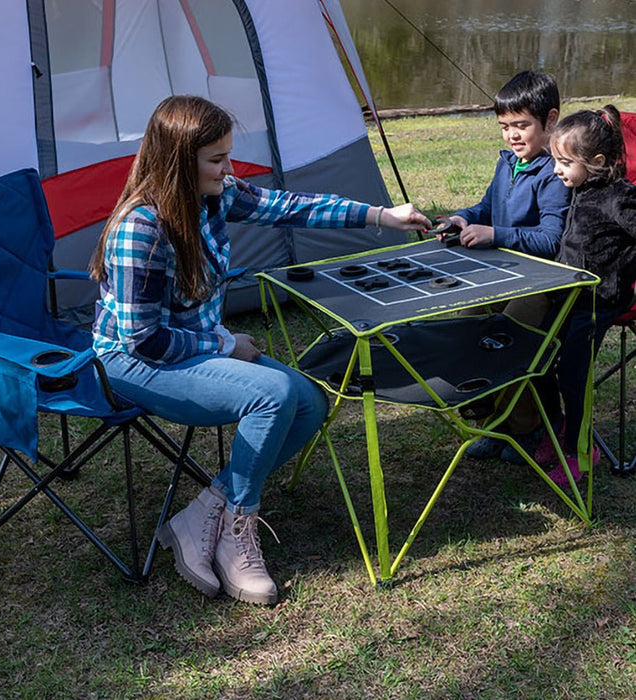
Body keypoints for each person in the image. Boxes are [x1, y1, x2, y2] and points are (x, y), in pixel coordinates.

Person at [88, 94, 431, 605]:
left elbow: (291, 207)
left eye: (228, 156)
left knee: (310, 403)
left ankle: (207, 511)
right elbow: (145, 340)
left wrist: (382, 215)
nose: (228, 171)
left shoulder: (214, 196)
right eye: (217, 159)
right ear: (179, 161)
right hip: (133, 364)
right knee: (271, 395)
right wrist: (224, 342)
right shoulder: (140, 229)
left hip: (193, 350)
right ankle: (236, 533)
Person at [446, 70, 572, 462]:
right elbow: (484, 207)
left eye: (522, 125)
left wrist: (495, 234)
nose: (512, 135)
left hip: (540, 285)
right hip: (499, 278)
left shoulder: (555, 172)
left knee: (508, 336)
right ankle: (495, 424)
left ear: (550, 121)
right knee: (467, 324)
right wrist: (461, 218)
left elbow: (551, 240)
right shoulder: (508, 163)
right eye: (505, 127)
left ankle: (529, 429)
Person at [535, 105, 636, 487]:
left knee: (573, 376)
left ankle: (581, 451)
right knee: (538, 359)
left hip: (598, 302)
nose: (557, 169)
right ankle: (558, 430)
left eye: (564, 161)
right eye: (555, 160)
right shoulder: (581, 187)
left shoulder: (619, 198)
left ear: (595, 162)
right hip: (568, 296)